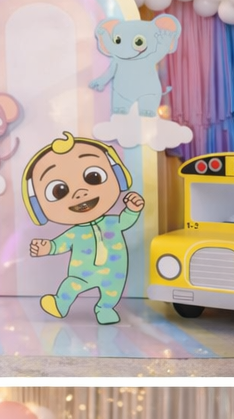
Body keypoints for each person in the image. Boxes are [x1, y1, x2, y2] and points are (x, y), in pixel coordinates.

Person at [23, 132, 145, 324]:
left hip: (114, 271)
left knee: (112, 291)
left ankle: (105, 308)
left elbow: (126, 221)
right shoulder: (74, 233)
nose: (80, 193)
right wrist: (48, 247)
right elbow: (60, 244)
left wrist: (133, 209)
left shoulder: (112, 222)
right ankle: (59, 305)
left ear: (118, 176)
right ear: (37, 205)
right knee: (70, 285)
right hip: (82, 273)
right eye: (59, 190)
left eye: (94, 177)